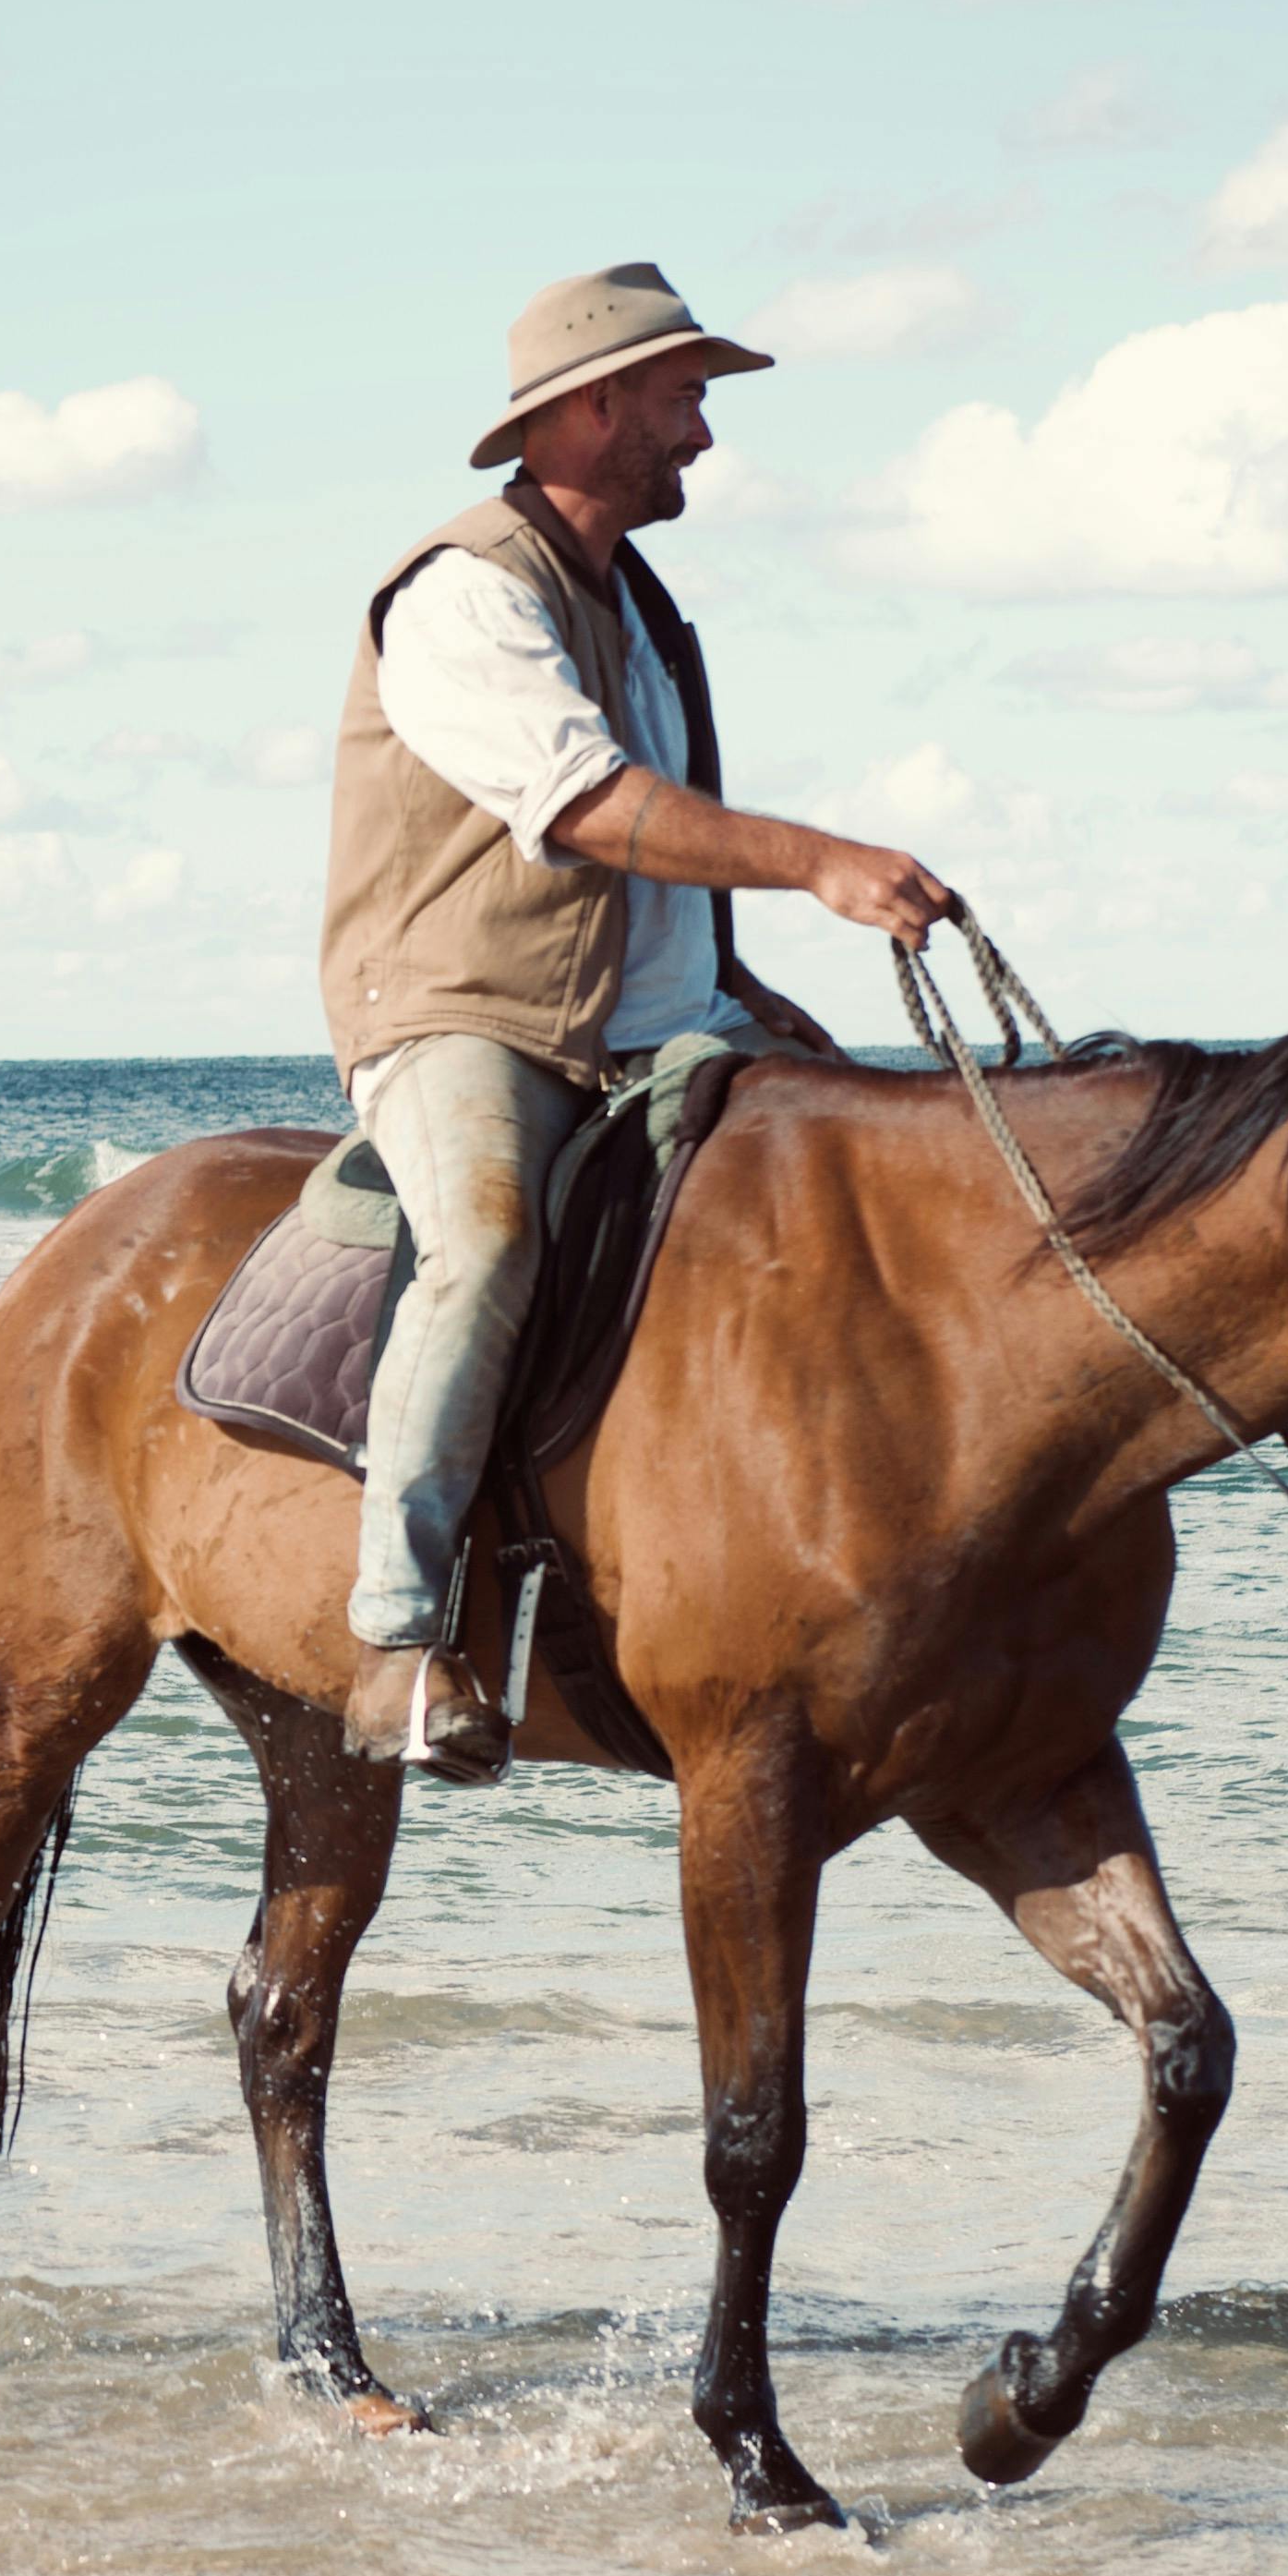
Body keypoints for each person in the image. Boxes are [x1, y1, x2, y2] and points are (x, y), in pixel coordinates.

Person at [319, 261, 964, 1783]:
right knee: (482, 1238)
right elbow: (594, 809)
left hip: (667, 1022)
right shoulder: (466, 590)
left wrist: (753, 994)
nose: (705, 437)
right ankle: (400, 1637)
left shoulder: (647, 609)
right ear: (592, 406)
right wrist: (820, 861)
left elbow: (661, 879)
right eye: (685, 400)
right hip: (468, 1016)